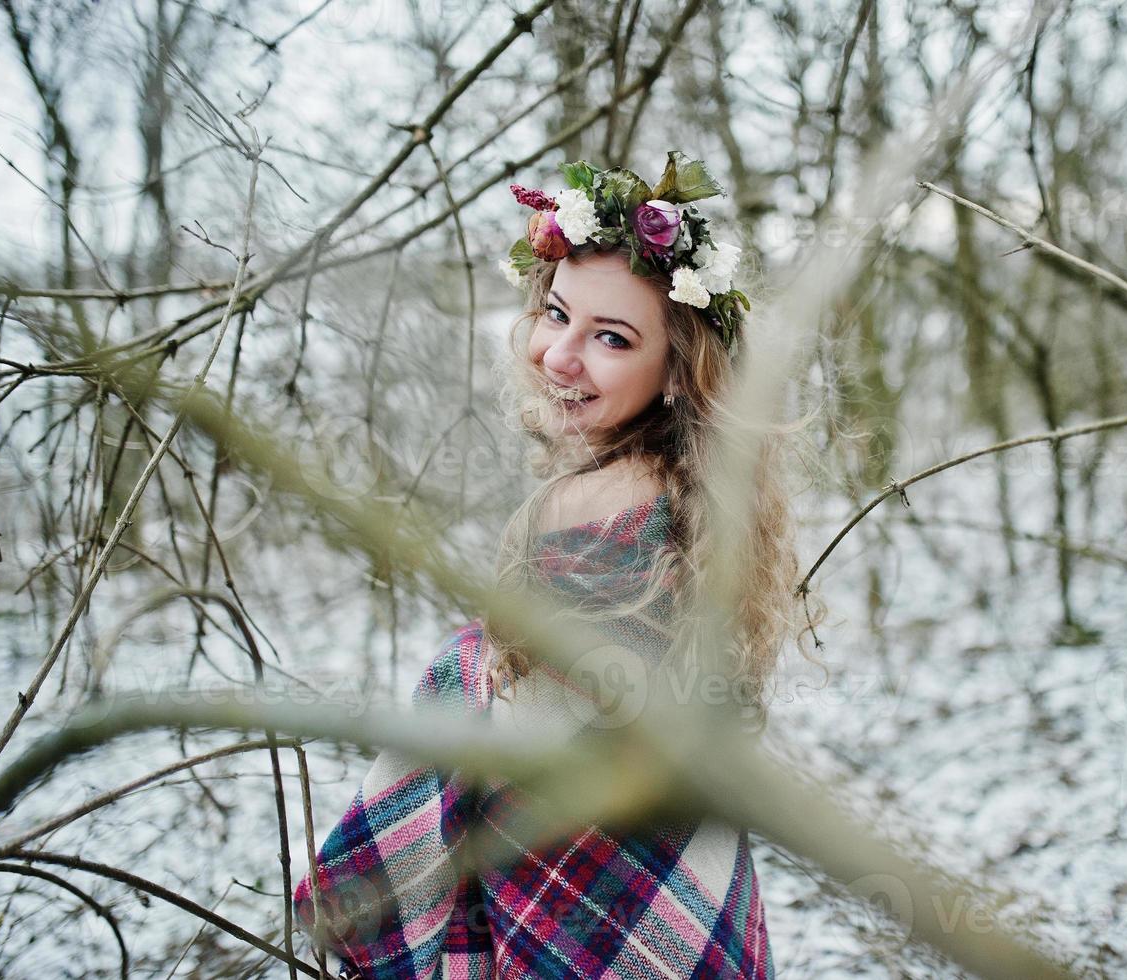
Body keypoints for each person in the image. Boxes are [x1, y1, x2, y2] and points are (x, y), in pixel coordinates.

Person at [292, 150, 825, 979]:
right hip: (670, 873)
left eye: (610, 337)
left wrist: (460, 677)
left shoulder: (581, 507)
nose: (558, 355)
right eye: (557, 314)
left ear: (677, 375)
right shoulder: (693, 498)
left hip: (585, 882)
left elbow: (525, 732)